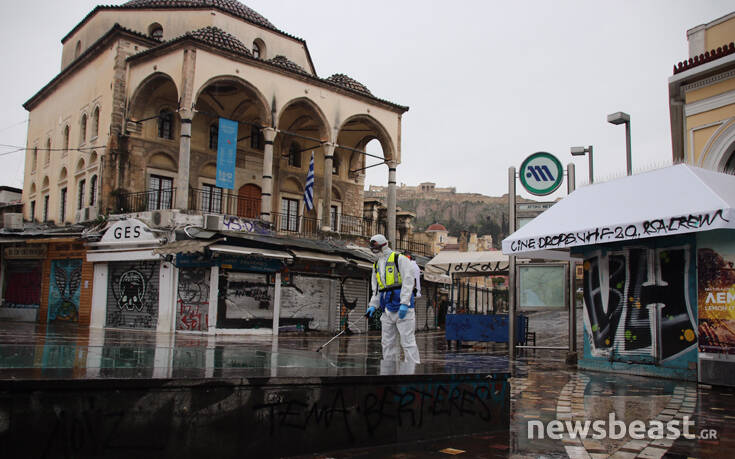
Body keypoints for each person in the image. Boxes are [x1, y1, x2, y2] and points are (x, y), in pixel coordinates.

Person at [365, 234, 420, 364]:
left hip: (402, 306)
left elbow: (408, 281)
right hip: (386, 308)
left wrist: (405, 303)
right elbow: (377, 289)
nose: (373, 248)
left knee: (407, 342)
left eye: (375, 245)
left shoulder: (399, 259)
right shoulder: (376, 265)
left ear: (383, 245)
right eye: (372, 246)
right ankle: (389, 371)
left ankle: (413, 371)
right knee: (387, 343)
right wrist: (372, 305)